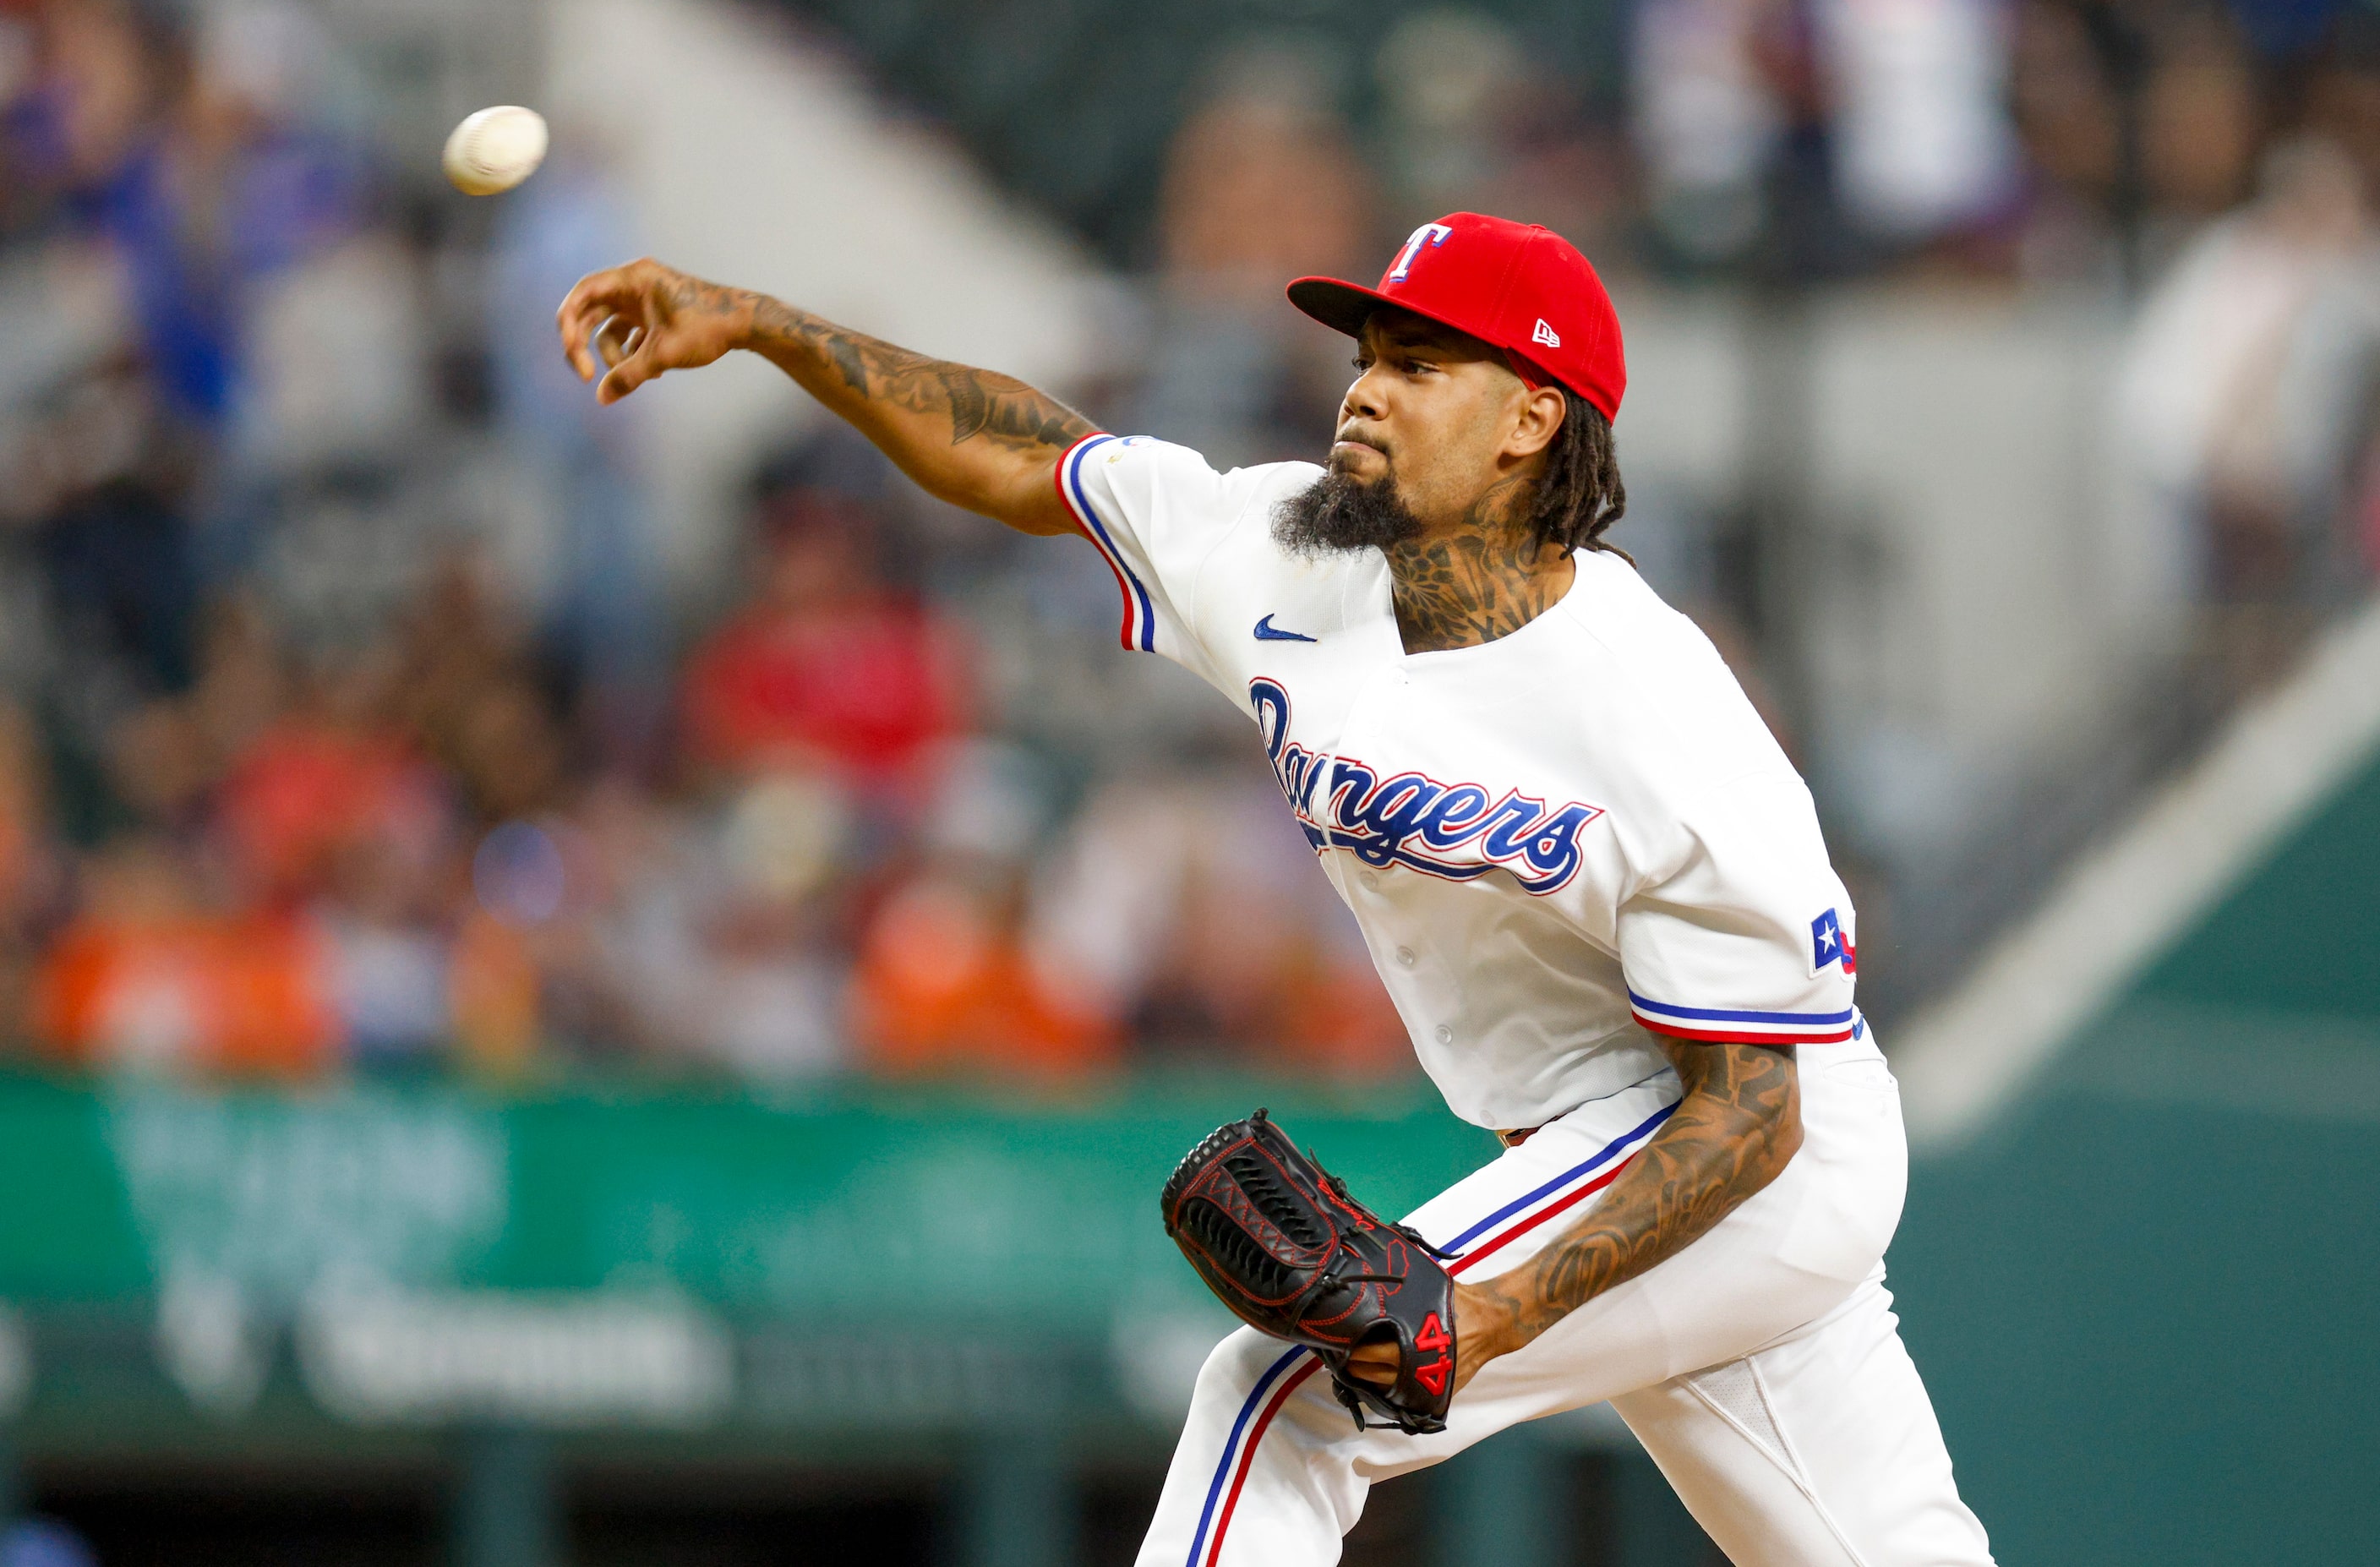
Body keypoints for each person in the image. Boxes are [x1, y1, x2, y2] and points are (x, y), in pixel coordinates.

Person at [556, 211, 1995, 1566]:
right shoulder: (1284, 553)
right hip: (1590, 1138)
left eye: (1423, 365)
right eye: (1366, 357)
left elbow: (1752, 1108)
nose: (1366, 393)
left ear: (1532, 417)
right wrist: (759, 326)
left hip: (1745, 1148)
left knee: (1286, 1392)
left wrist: (1482, 1316)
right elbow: (1029, 455)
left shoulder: (1660, 709)